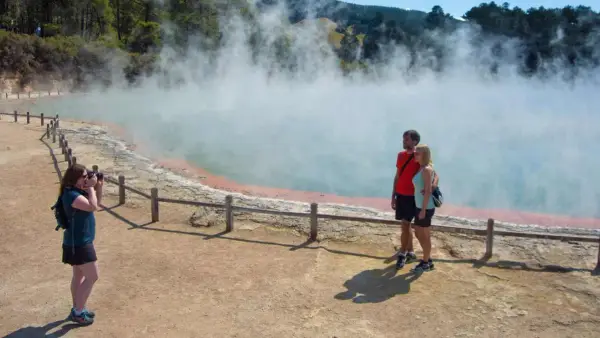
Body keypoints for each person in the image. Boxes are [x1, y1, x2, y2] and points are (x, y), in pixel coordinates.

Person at [59, 163, 103, 325]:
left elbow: (96, 204)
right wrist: (91, 188)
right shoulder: (71, 195)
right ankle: (78, 312)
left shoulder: (75, 192)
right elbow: (91, 207)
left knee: (78, 276)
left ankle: (78, 307)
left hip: (76, 241)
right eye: (84, 176)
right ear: (74, 178)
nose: (86, 179)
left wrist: (98, 186)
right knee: (93, 276)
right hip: (79, 243)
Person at [391, 130, 421, 269]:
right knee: (406, 225)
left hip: (411, 196)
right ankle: (410, 251)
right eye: (404, 139)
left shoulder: (419, 156)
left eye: (407, 140)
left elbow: (430, 172)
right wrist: (393, 195)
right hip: (400, 194)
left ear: (415, 141)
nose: (404, 142)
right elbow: (397, 176)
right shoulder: (400, 155)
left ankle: (402, 254)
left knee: (405, 224)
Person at [411, 144, 436, 272]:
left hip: (425, 207)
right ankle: (427, 258)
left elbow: (427, 191)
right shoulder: (422, 168)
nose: (415, 155)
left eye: (417, 153)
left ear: (424, 155)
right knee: (418, 232)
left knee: (424, 235)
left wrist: (423, 210)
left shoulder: (426, 169)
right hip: (419, 205)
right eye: (415, 153)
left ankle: (426, 263)